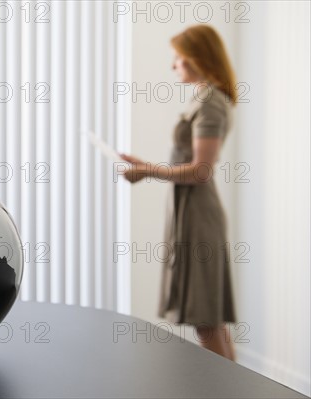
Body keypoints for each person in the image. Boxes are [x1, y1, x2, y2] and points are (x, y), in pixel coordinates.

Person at [119, 25, 237, 360]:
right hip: (191, 211)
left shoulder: (211, 103)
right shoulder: (205, 98)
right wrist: (146, 165)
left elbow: (201, 170)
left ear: (199, 57)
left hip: (198, 216)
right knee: (210, 319)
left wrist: (147, 172)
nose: (174, 65)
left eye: (179, 57)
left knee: (205, 320)